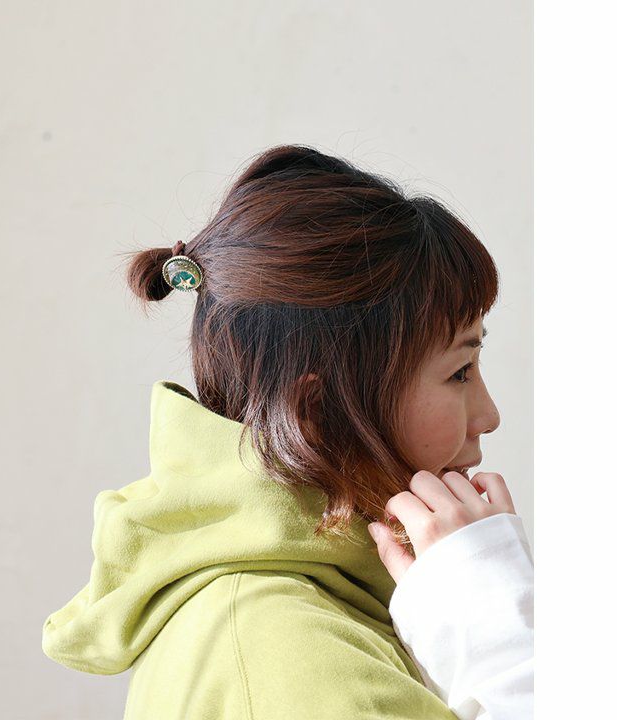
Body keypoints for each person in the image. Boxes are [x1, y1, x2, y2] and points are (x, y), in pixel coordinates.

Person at [41, 144, 534, 719]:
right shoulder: (289, 650)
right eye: (460, 372)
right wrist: (503, 636)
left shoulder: (312, 616)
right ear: (317, 411)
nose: (489, 415)